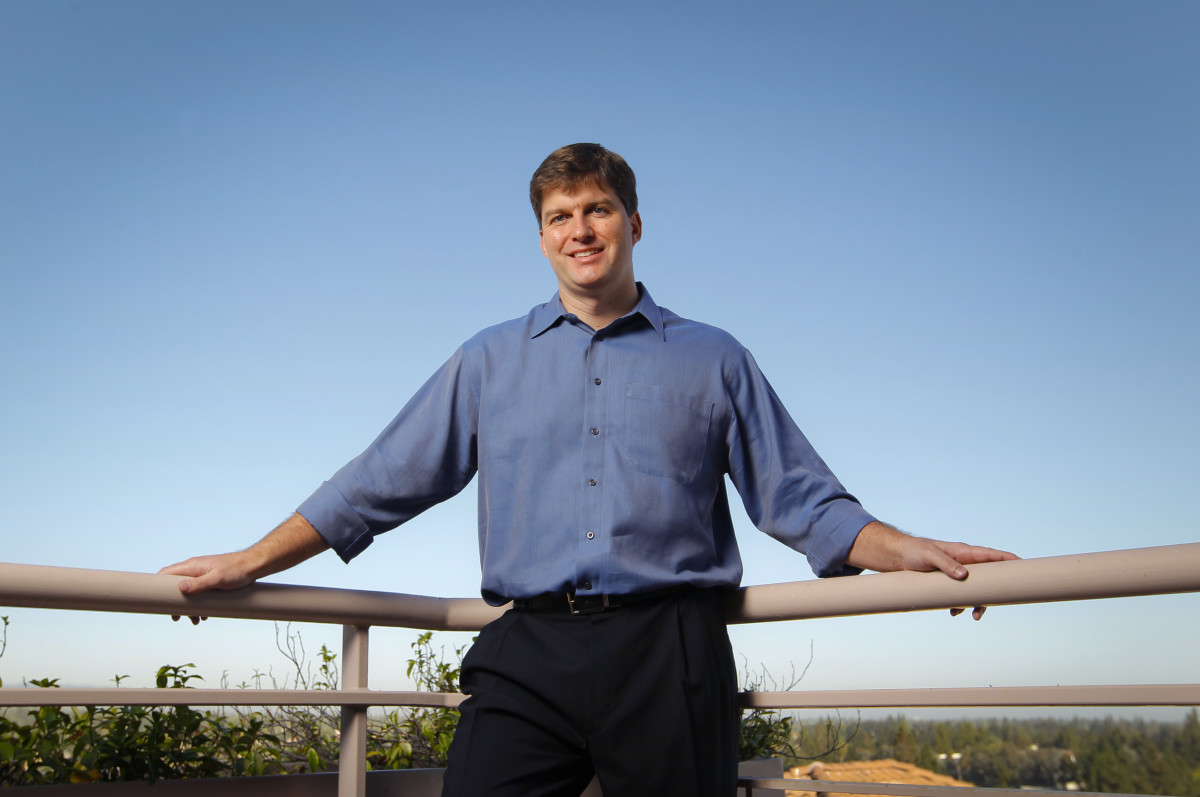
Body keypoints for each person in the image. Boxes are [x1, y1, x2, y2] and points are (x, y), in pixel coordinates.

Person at [160, 143, 1017, 796]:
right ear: (541, 238)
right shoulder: (487, 360)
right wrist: (251, 560)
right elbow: (378, 480)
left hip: (670, 652)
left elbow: (800, 496)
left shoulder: (715, 357)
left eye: (598, 209)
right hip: (528, 648)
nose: (580, 230)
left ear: (633, 225)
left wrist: (909, 550)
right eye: (560, 216)